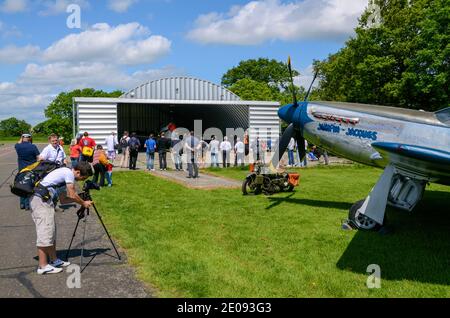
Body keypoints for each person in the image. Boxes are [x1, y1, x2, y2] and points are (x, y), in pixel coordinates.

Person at [30, 161, 93, 275]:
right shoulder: (68, 173)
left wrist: (81, 199)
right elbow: (72, 194)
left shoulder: (64, 175)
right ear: (77, 172)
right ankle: (43, 266)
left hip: (45, 202)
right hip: (41, 202)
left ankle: (54, 260)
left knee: (51, 232)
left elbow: (65, 199)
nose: (82, 180)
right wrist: (83, 203)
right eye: (83, 177)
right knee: (45, 232)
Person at [15, 133, 40, 210]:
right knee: (29, 186)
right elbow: (38, 158)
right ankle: (27, 205)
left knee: (21, 186)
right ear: (30, 138)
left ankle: (22, 204)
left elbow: (18, 143)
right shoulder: (33, 147)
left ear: (22, 138)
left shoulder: (18, 146)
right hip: (31, 170)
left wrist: (21, 137)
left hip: (21, 169)